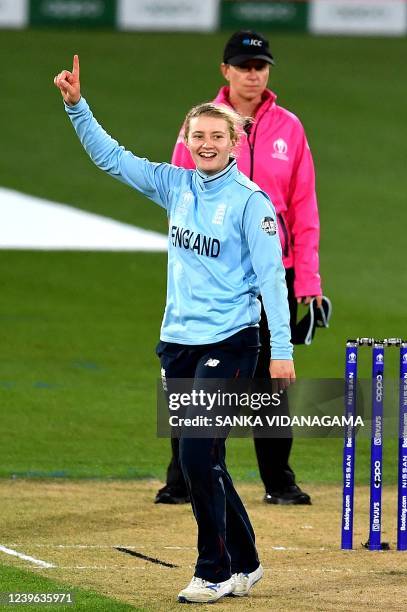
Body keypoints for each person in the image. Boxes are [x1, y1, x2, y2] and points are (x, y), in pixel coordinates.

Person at [54, 55, 295, 604]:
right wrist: (77, 108)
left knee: (193, 458)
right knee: (206, 458)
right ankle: (248, 561)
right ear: (185, 140)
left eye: (217, 135)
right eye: (198, 135)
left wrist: (280, 350)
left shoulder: (249, 203)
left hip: (231, 342)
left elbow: (273, 282)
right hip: (179, 344)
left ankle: (213, 569)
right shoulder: (176, 185)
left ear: (235, 143)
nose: (207, 143)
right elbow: (113, 159)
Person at [155, 30, 323, 507]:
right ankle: (181, 478)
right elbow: (180, 195)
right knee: (191, 374)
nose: (254, 74)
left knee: (273, 378)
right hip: (211, 273)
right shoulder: (202, 125)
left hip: (276, 271)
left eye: (261, 66)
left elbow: (304, 207)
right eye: (244, 66)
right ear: (225, 70)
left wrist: (307, 279)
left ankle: (278, 479)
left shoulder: (289, 128)